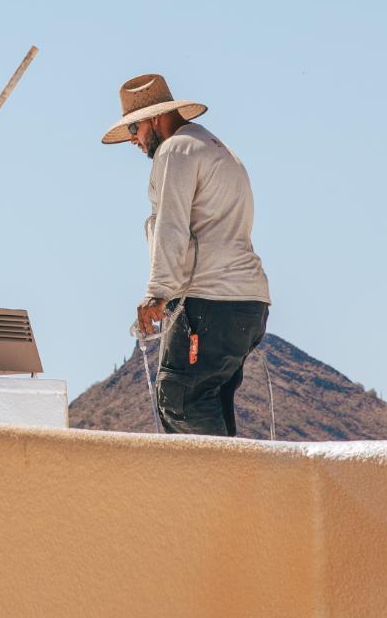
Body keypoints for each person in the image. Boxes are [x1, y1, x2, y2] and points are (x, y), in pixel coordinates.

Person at [101, 72, 270, 437]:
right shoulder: (212, 146)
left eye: (134, 129)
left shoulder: (175, 150)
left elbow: (171, 224)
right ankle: (231, 472)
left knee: (178, 399)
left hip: (209, 300)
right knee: (209, 403)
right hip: (246, 304)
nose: (132, 140)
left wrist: (157, 292)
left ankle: (222, 474)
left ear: (156, 119)